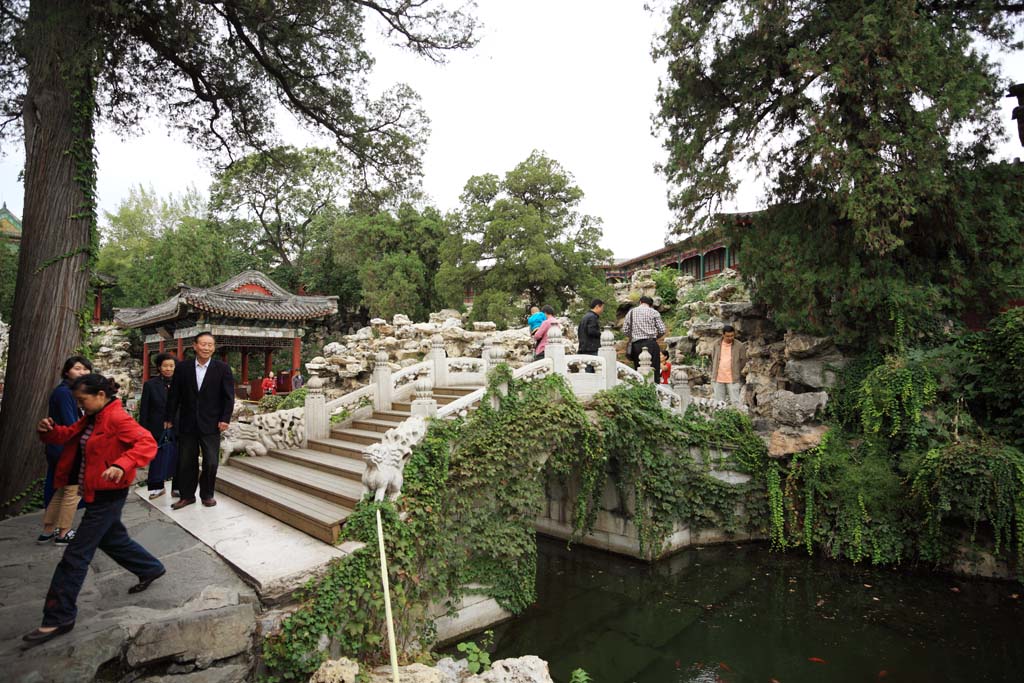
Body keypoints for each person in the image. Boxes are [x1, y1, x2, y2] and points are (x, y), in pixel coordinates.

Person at [22, 374, 165, 648]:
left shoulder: (116, 418)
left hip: (109, 494)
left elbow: (146, 442)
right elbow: (67, 436)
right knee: (113, 539)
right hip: (96, 491)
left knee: (75, 556)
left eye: (83, 400)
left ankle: (59, 615)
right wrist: (47, 430)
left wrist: (122, 464)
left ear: (100, 395)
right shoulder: (92, 418)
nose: (80, 405)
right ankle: (150, 568)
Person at [165, 332, 235, 510]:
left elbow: (228, 397)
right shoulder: (183, 368)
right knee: (187, 462)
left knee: (211, 461)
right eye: (203, 344)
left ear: (214, 348)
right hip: (187, 422)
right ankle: (187, 496)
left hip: (212, 423)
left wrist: (225, 418)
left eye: (210, 345)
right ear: (195, 346)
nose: (206, 348)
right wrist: (169, 417)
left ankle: (207, 494)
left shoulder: (222, 369)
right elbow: (174, 395)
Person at [37, 355, 92, 545]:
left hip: (60, 446)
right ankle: (64, 533)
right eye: (78, 368)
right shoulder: (65, 393)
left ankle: (47, 530)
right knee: (72, 491)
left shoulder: (69, 391)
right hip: (66, 447)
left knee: (61, 490)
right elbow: (72, 424)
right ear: (67, 371)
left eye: (86, 369)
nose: (82, 372)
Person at [140, 353, 178, 499]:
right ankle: (157, 487)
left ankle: (177, 487)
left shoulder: (181, 383)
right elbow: (144, 409)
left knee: (178, 456)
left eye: (171, 366)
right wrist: (143, 430)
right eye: (165, 366)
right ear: (159, 367)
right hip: (156, 426)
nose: (168, 369)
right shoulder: (150, 385)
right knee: (157, 457)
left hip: (177, 425)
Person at [622, 296, 666, 383]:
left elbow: (625, 330)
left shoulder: (631, 312)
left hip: (636, 345)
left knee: (638, 369)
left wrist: (634, 336)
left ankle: (640, 388)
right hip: (651, 344)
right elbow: (662, 330)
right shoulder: (654, 312)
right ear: (650, 305)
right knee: (654, 370)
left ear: (640, 302)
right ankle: (654, 389)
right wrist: (655, 337)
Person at [710, 324, 747, 407]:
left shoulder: (739, 346)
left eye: (732, 336)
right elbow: (713, 358)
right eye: (728, 336)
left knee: (736, 403)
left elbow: (743, 360)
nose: (730, 338)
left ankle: (737, 419)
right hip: (718, 377)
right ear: (723, 335)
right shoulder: (716, 344)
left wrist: (736, 370)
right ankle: (720, 419)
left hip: (733, 378)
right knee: (718, 404)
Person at [577, 298, 604, 373]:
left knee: (585, 370)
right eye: (602, 307)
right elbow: (591, 331)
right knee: (591, 371)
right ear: (597, 306)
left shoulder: (585, 316)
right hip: (591, 348)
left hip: (583, 347)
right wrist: (601, 333)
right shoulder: (592, 317)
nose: (602, 310)